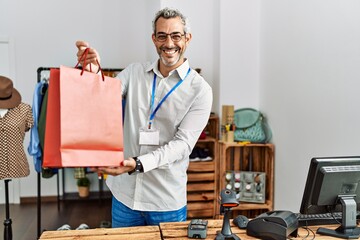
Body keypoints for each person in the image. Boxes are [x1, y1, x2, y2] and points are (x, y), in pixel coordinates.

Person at [76, 7, 213, 227]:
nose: (169, 43)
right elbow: (103, 101)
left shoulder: (200, 90)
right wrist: (93, 75)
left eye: (176, 35)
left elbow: (182, 145)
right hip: (124, 196)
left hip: (165, 201)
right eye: (162, 36)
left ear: (187, 38)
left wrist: (137, 164)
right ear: (154, 39)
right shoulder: (134, 72)